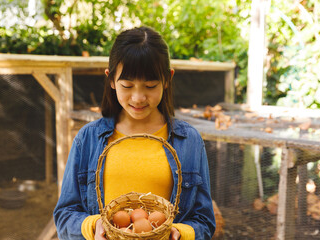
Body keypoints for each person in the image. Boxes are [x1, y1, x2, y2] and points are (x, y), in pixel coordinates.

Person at [53, 26, 215, 240]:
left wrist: (180, 233)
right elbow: (64, 215)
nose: (138, 97)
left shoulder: (189, 141)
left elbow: (204, 220)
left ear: (167, 80)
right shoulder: (88, 139)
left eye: (150, 86)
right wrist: (95, 226)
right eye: (127, 85)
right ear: (111, 80)